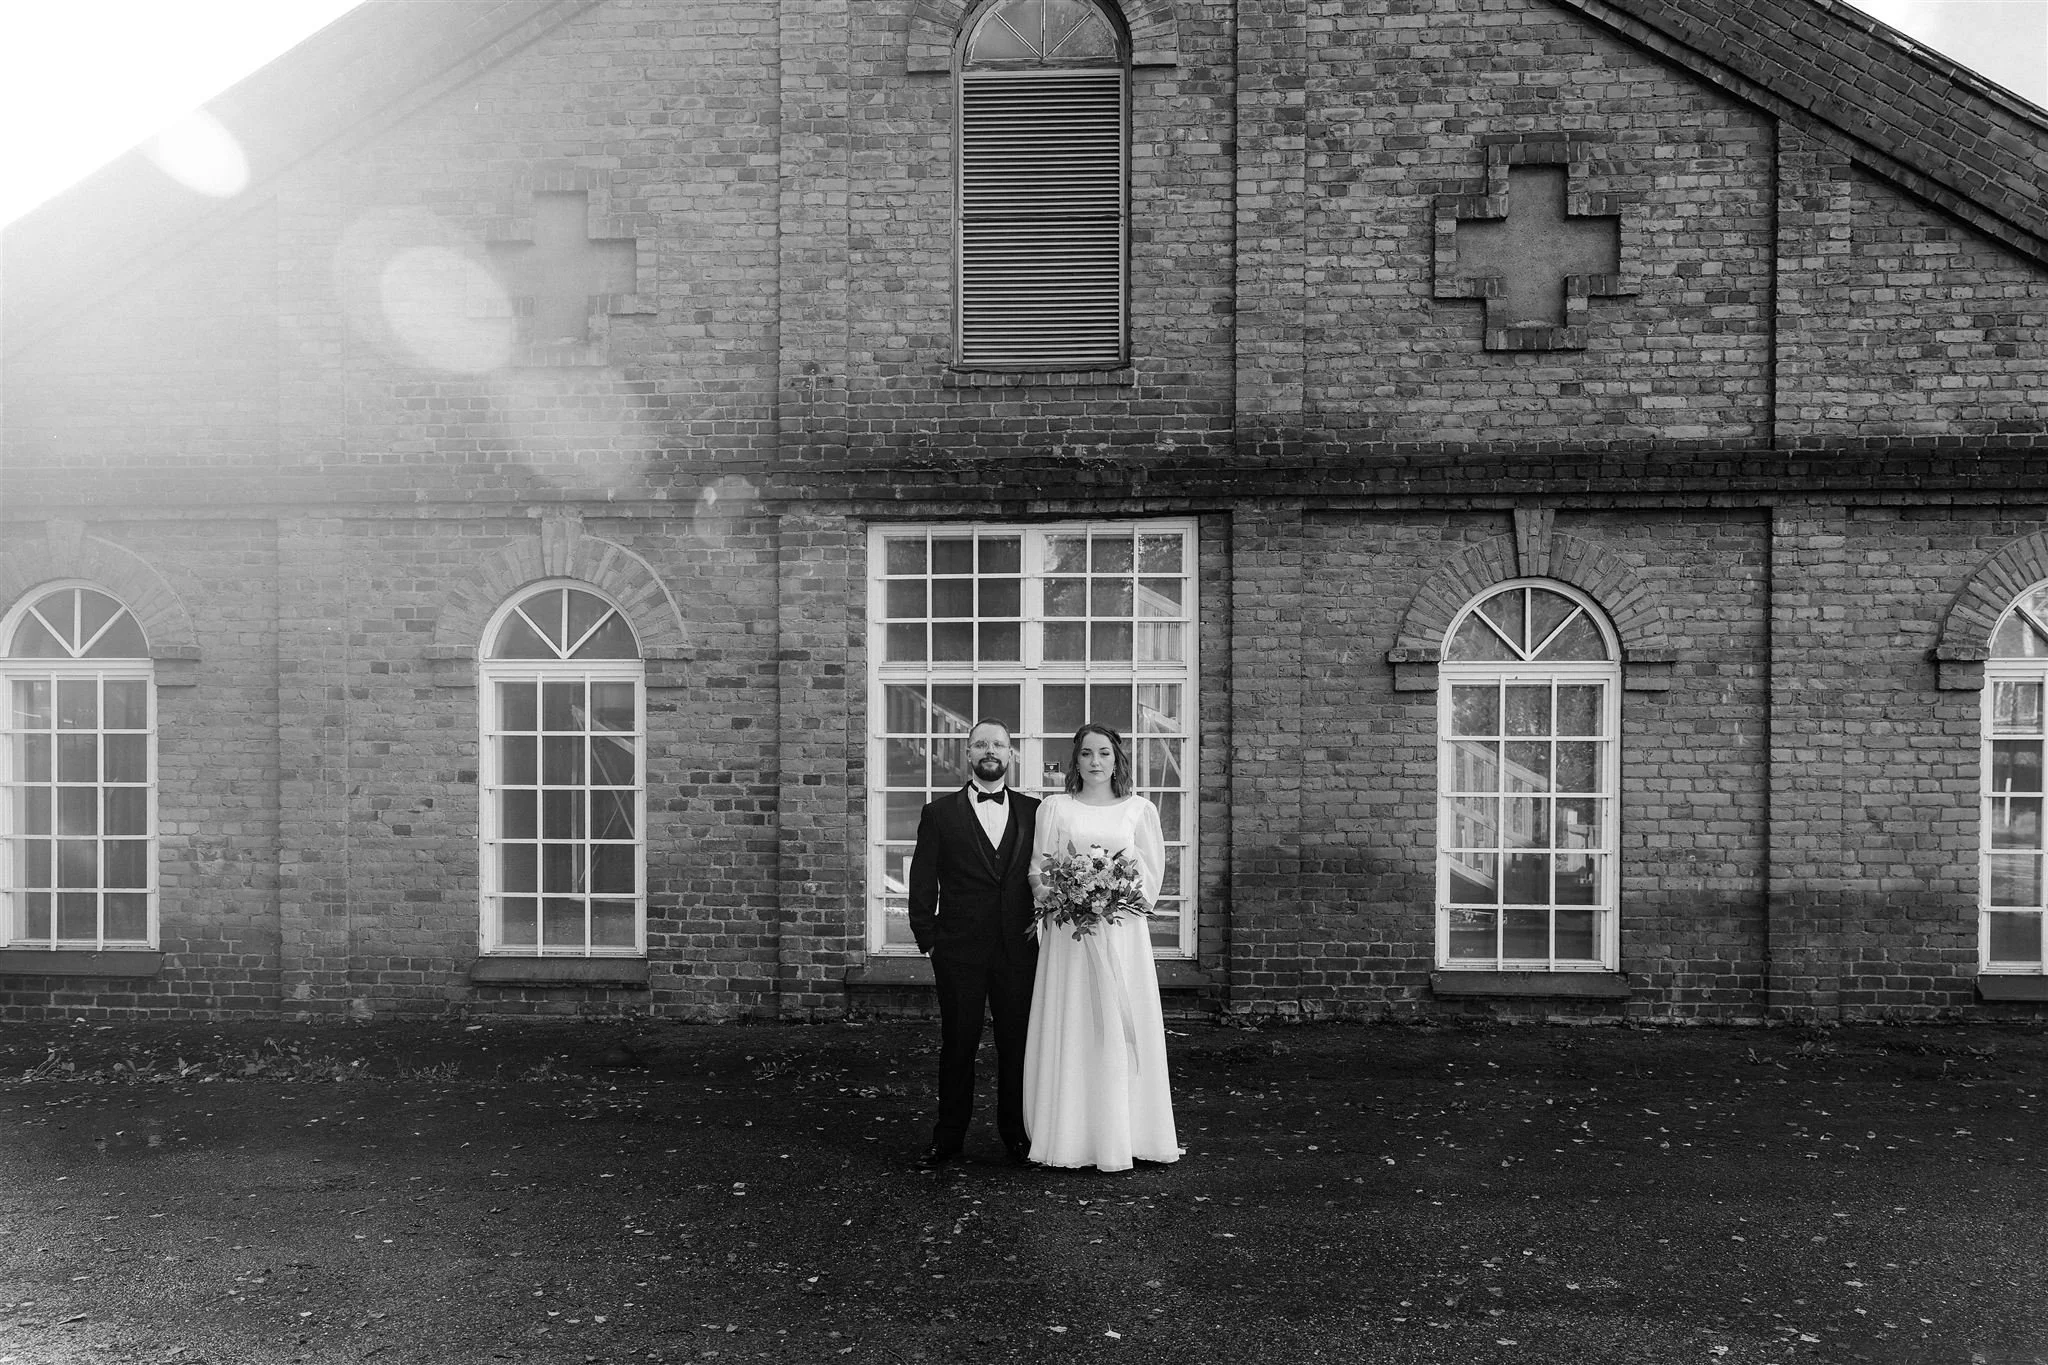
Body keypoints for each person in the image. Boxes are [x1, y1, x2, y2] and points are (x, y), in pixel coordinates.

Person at [1022, 723, 1180, 1171]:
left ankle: (1128, 1133)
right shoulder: (1054, 808)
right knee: (1074, 1019)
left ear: (1117, 760)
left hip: (1120, 933)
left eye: (1104, 754)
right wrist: (1062, 896)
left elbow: (1150, 876)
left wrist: (1111, 898)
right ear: (1075, 760)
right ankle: (1071, 1136)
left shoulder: (1138, 809)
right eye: (1087, 754)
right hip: (1070, 937)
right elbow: (1037, 869)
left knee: (1116, 1019)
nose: (1095, 762)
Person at [907, 719, 1042, 1168]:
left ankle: (1017, 1138)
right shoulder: (939, 814)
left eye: (998, 744)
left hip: (1019, 951)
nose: (990, 751)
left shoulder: (1033, 811)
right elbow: (922, 881)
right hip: (958, 951)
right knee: (959, 1044)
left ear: (1010, 754)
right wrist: (929, 940)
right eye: (981, 744)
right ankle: (948, 1138)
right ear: (968, 754)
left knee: (1017, 1046)